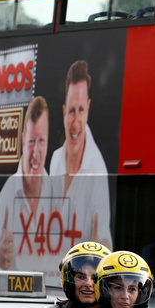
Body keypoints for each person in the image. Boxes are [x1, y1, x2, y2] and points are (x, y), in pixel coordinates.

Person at [0, 96, 63, 284]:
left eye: (41, 141)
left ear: (47, 142)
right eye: (32, 141)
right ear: (23, 140)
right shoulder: (8, 193)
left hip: (49, 298)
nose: (36, 152)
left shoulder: (57, 193)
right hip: (14, 299)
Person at [49, 60, 112, 252]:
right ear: (63, 112)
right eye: (71, 111)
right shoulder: (55, 160)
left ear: (88, 109)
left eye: (81, 110)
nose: (75, 122)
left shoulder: (97, 169)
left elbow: (103, 235)